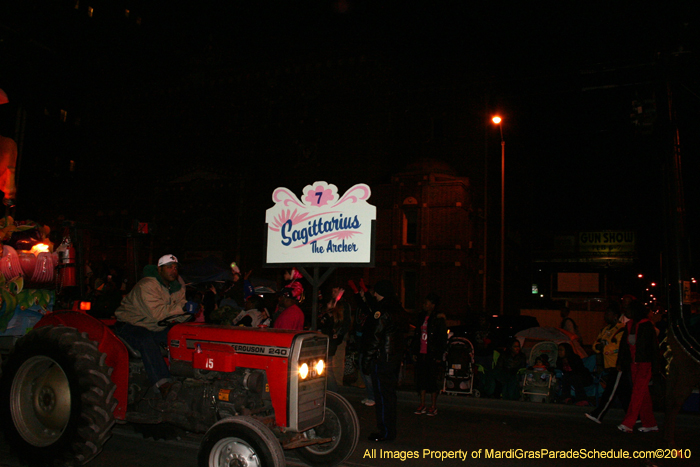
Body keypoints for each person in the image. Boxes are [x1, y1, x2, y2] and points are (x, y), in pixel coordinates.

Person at [114, 254, 189, 400]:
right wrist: (183, 308)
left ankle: (185, 377)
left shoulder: (178, 287)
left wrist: (188, 312)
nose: (173, 270)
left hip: (153, 326)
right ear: (160, 269)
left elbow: (175, 314)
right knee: (145, 339)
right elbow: (158, 314)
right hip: (131, 324)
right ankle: (163, 384)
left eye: (175, 267)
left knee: (180, 337)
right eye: (169, 267)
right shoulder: (147, 285)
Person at [361, 279, 409, 442]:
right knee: (389, 396)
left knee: (382, 397)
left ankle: (385, 431)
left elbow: (375, 337)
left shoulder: (382, 311)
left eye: (375, 291)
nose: (374, 294)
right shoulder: (398, 309)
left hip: (382, 359)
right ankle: (388, 429)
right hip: (393, 358)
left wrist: (366, 360)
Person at [617, 300, 660, 433]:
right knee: (643, 394)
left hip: (644, 363)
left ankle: (629, 422)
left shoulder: (646, 326)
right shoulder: (630, 325)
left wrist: (655, 367)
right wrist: (621, 362)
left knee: (637, 393)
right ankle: (650, 423)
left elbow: (653, 347)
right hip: (634, 364)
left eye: (629, 309)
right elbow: (624, 346)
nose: (626, 312)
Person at [586, 307, 625, 423]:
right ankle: (637, 417)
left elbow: (616, 348)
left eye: (608, 313)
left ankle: (598, 414)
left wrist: (604, 348)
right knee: (624, 393)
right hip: (609, 365)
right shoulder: (605, 330)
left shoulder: (621, 330)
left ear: (615, 316)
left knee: (610, 392)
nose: (605, 316)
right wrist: (603, 348)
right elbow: (595, 345)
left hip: (617, 365)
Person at [411, 292, 447, 416]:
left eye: (426, 303)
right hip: (422, 352)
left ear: (432, 305)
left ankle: (433, 405)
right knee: (421, 379)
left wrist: (439, 355)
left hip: (432, 353)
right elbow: (417, 335)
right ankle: (422, 404)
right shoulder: (421, 316)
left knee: (431, 380)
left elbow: (442, 338)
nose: (424, 305)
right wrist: (415, 350)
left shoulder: (438, 319)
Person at [349, 279, 375, 406]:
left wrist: (358, 290)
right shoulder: (361, 308)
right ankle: (370, 395)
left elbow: (364, 305)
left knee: (367, 370)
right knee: (362, 367)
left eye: (362, 291)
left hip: (367, 343)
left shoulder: (370, 308)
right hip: (361, 342)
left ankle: (373, 396)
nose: (360, 293)